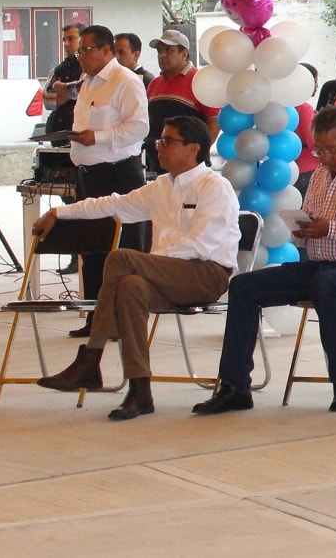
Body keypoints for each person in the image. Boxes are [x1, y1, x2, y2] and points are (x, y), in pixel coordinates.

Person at [192, 106, 336, 415]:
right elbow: (308, 227)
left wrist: (332, 228)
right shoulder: (320, 173)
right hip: (321, 265)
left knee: (326, 284)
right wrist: (304, 231)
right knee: (243, 286)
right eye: (320, 151)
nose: (326, 158)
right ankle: (235, 386)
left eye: (332, 150)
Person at [33, 117, 239, 420]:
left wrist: (151, 262)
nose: (159, 147)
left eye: (168, 141)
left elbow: (200, 246)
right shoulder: (161, 186)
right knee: (130, 286)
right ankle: (140, 390)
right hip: (165, 276)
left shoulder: (214, 187)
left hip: (205, 273)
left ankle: (92, 358)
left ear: (194, 148)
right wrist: (58, 212)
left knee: (121, 259)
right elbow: (111, 205)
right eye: (160, 141)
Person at [68, 24, 152, 338]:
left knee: (124, 249)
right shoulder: (86, 83)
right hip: (88, 176)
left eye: (86, 50)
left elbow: (139, 128)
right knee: (92, 250)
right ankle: (95, 318)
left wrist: (99, 137)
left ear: (106, 50)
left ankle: (124, 320)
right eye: (79, 51)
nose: (81, 57)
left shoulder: (126, 81)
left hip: (119, 174)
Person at [144, 29, 219, 175]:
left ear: (184, 54)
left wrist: (197, 156)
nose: (162, 55)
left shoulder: (200, 81)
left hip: (191, 167)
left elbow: (214, 122)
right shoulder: (154, 83)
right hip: (160, 165)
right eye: (159, 51)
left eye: (169, 50)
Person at [43, 22, 84, 138]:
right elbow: (47, 100)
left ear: (83, 39)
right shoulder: (58, 69)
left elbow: (81, 89)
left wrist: (58, 87)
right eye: (64, 40)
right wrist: (70, 91)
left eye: (71, 39)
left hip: (79, 133)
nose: (66, 44)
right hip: (58, 133)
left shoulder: (89, 66)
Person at [293, 64, 320, 195]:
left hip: (290, 168)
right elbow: (314, 142)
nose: (317, 86)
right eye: (315, 81)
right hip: (308, 168)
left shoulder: (284, 106)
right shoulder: (305, 108)